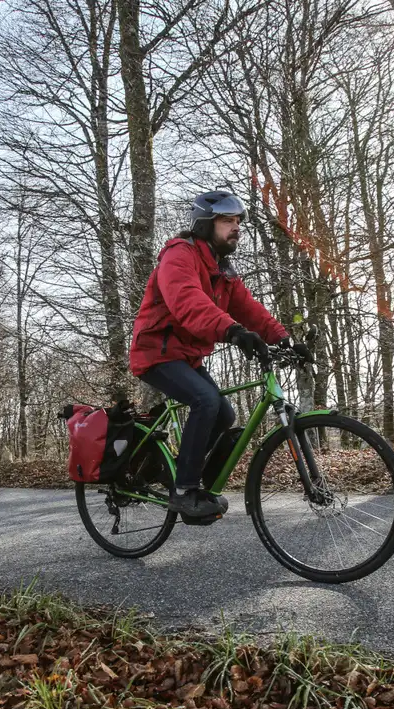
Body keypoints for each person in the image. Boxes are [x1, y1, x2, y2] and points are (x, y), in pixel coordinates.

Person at [129, 190, 312, 519]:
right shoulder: (179, 255)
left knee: (224, 415)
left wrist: (284, 339)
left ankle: (188, 478)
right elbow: (187, 302)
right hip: (155, 351)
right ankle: (184, 491)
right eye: (227, 221)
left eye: (238, 221)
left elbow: (250, 309)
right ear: (203, 225)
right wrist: (232, 331)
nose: (236, 227)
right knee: (207, 401)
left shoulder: (222, 271)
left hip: (185, 356)